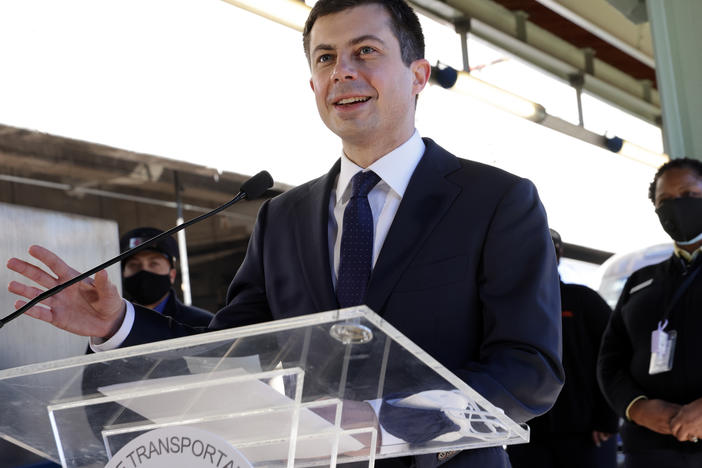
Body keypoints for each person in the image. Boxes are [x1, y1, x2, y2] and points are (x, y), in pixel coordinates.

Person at [7, 1, 564, 466]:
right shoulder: (280, 216)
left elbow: (529, 370)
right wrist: (119, 325)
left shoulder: (496, 201)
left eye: (365, 51)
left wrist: (387, 421)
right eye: (326, 58)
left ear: (418, 75)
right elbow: (226, 355)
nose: (342, 71)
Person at [597, 157, 702, 468]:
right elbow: (610, 359)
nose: (676, 206)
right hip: (648, 449)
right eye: (665, 200)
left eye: (688, 195)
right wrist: (636, 407)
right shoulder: (641, 281)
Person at [507, 229, 618, 468]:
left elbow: (615, 357)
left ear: (560, 253)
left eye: (548, 248)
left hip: (586, 433)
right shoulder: (508, 306)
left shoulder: (584, 300)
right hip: (526, 433)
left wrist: (607, 419)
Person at [117, 226, 212, 327]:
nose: (143, 270)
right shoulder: (111, 326)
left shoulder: (202, 325)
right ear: (123, 273)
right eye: (134, 265)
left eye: (153, 264)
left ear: (172, 275)